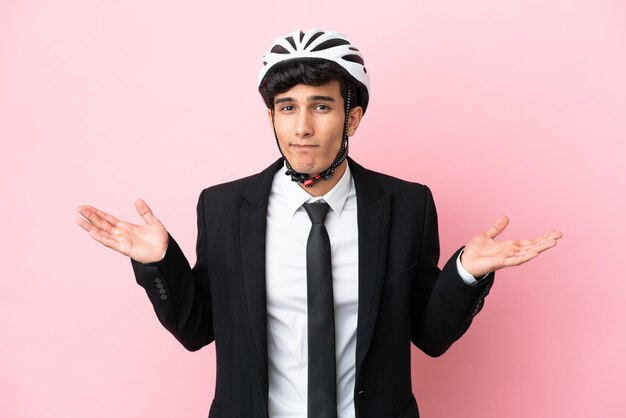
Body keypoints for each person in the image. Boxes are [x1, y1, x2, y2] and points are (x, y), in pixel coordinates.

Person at [77, 29, 562, 418]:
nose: (301, 127)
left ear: (352, 119)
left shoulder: (407, 205)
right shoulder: (224, 207)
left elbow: (430, 337)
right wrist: (160, 264)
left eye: (321, 106)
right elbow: (197, 330)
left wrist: (465, 273)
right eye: (287, 108)